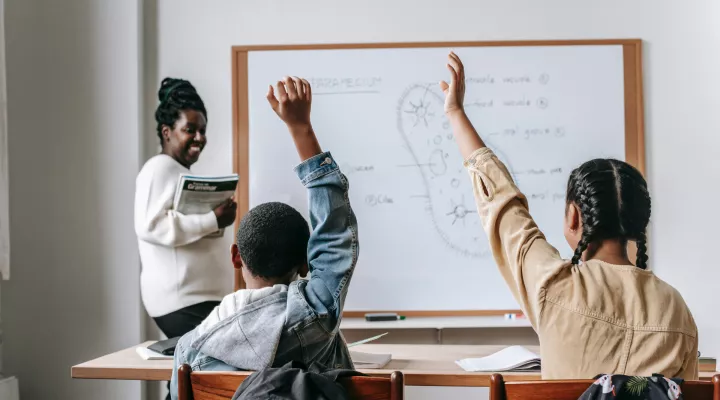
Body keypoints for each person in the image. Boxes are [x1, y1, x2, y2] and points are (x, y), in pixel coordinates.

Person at [440, 52, 698, 379]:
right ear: (638, 223)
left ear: (574, 217)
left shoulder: (553, 286)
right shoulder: (676, 310)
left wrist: (455, 112)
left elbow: (504, 206)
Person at [169, 76, 359, 400]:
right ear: (304, 264)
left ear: (235, 257)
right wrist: (301, 128)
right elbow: (334, 232)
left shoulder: (190, 349)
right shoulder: (317, 317)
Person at [134, 78, 237, 363]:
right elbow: (150, 226)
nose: (199, 137)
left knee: (190, 374)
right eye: (189, 129)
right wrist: (212, 220)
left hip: (199, 299)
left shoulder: (176, 171)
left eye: (203, 130)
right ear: (167, 132)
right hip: (183, 300)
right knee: (203, 373)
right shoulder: (158, 169)